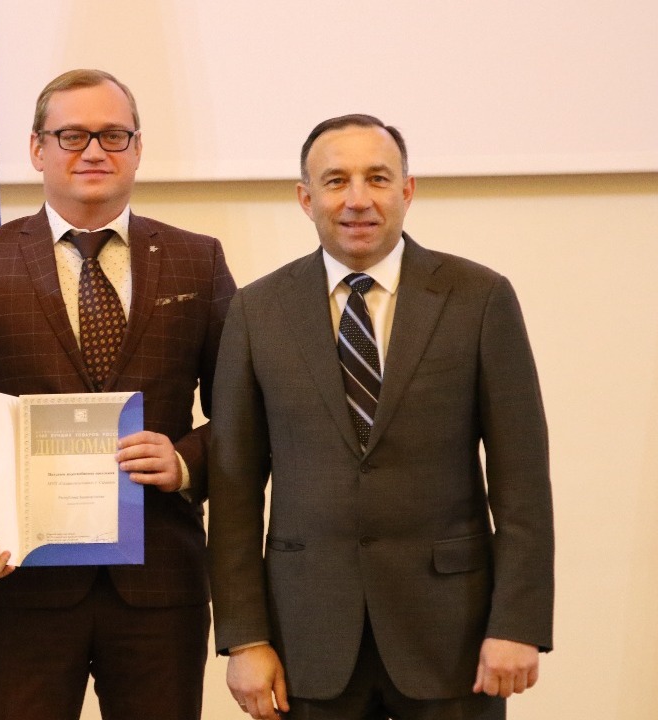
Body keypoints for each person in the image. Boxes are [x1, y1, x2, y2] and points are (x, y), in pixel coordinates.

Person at [0, 69, 235, 720]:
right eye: (72, 135)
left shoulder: (197, 259)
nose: (93, 151)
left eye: (113, 135)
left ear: (137, 148)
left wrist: (184, 461)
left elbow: (245, 415)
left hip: (160, 588)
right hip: (22, 585)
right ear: (37, 149)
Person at [207, 114, 554, 720]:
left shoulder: (479, 298)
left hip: (452, 636)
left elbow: (521, 479)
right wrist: (244, 638)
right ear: (305, 198)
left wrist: (517, 624)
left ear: (407, 190)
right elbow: (233, 489)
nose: (358, 199)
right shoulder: (257, 310)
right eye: (336, 181)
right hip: (305, 636)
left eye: (377, 178)